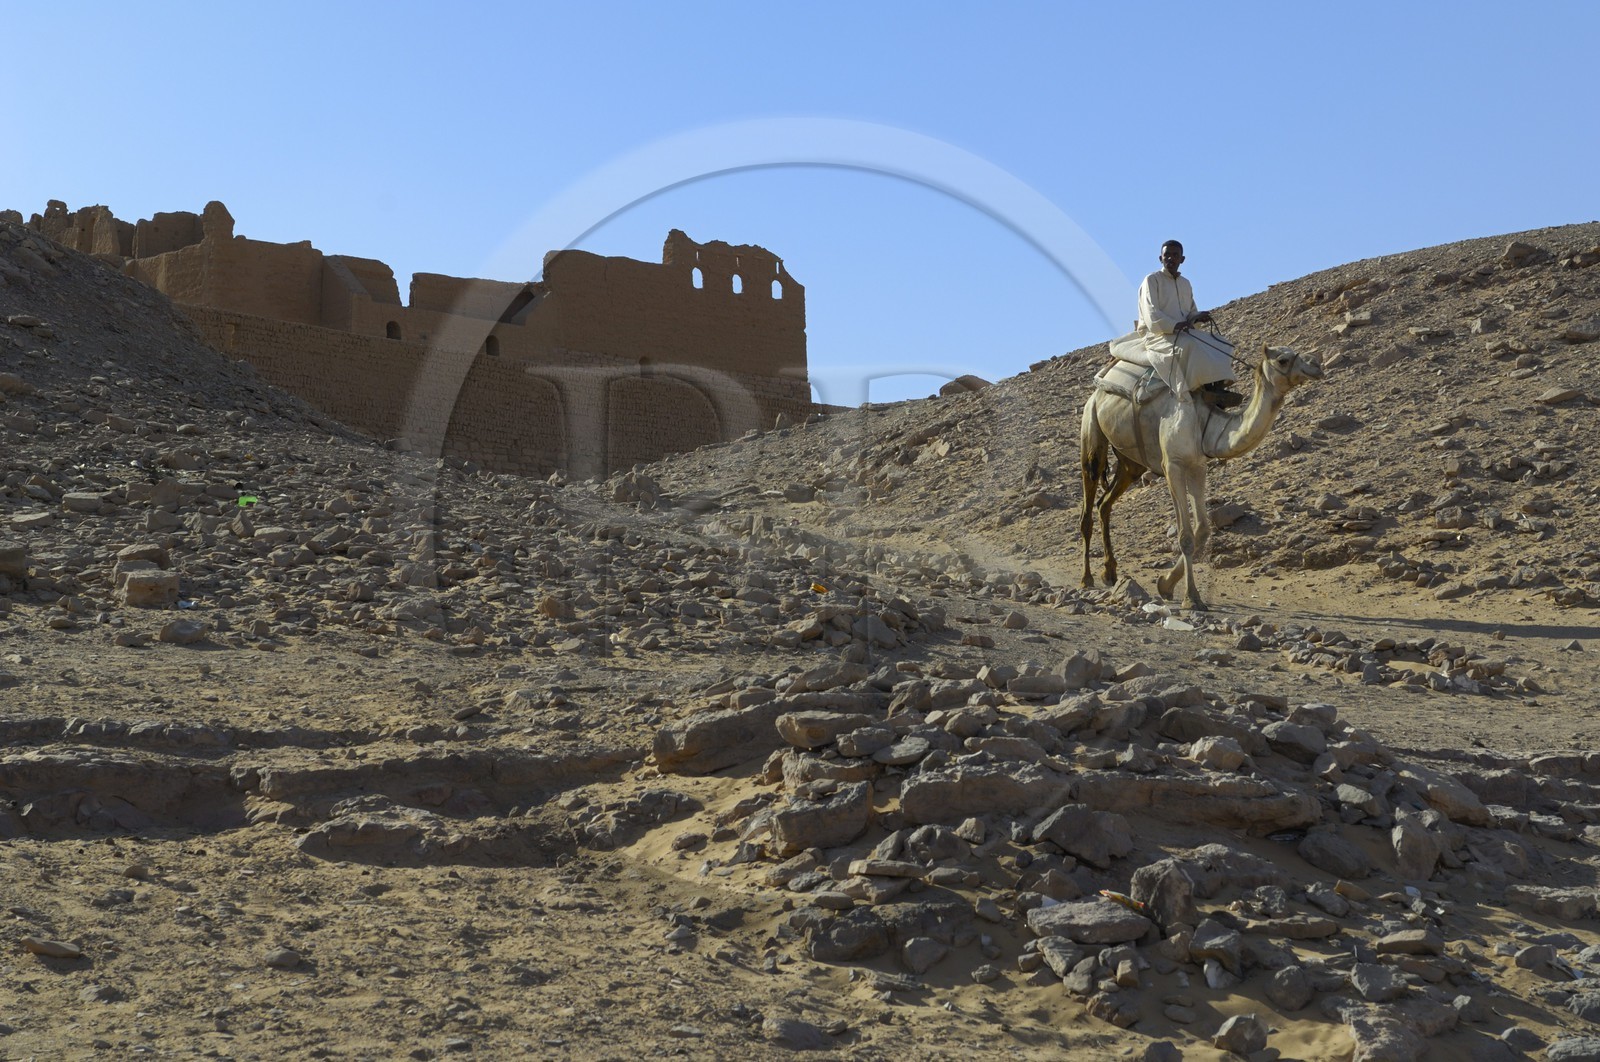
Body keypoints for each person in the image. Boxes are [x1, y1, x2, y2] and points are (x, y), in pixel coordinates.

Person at [1136, 240, 1241, 408]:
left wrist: (1198, 317)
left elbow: (1190, 312)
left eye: (1175, 255)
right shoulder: (1152, 280)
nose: (1170, 258)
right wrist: (1175, 325)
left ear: (1182, 259)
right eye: (1167, 255)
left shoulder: (1185, 283)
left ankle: (1216, 389)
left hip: (1182, 332)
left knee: (1223, 344)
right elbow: (1151, 314)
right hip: (1159, 334)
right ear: (1160, 258)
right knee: (1192, 345)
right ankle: (1195, 389)